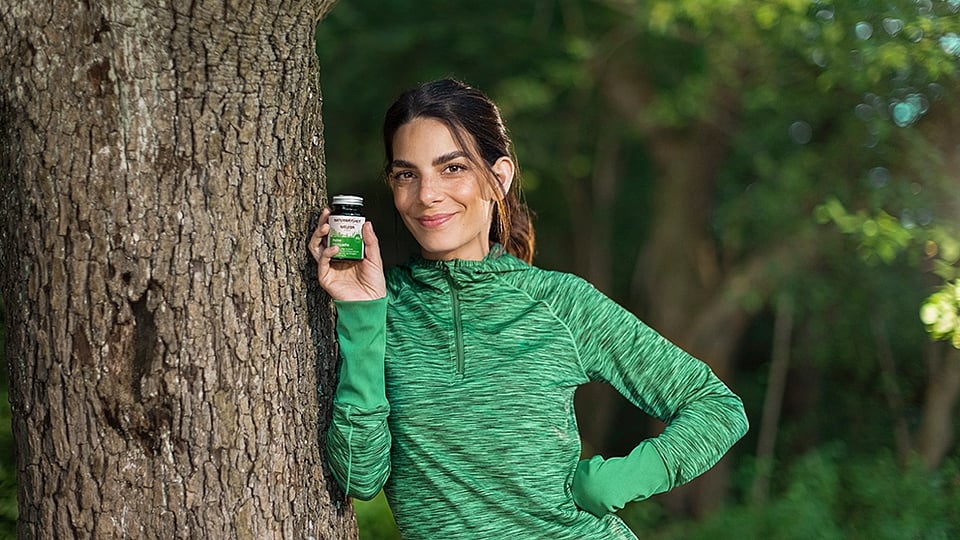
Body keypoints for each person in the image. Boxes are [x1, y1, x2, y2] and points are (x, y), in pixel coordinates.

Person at [309, 78, 748, 539]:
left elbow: (717, 407)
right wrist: (362, 315)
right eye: (406, 174)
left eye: (452, 168)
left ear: (498, 176)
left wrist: (615, 481)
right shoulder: (379, 309)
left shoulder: (561, 302)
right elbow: (361, 474)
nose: (427, 195)